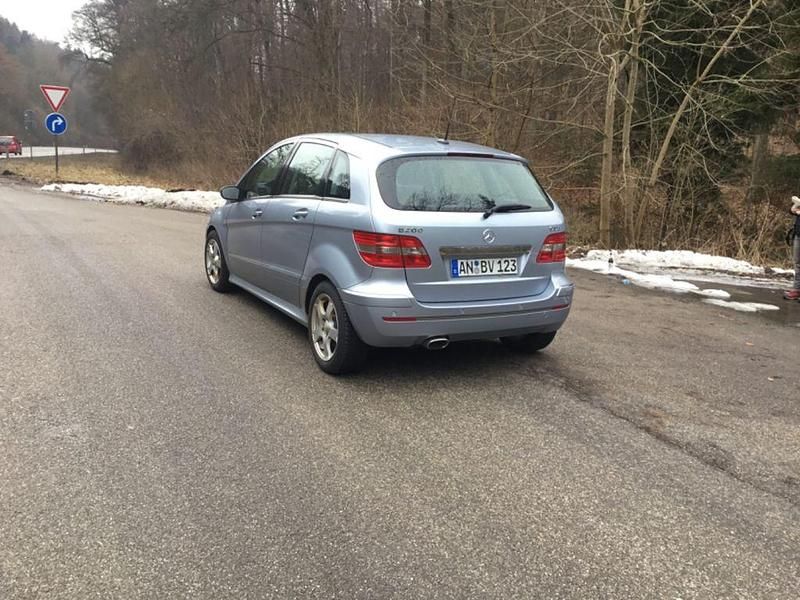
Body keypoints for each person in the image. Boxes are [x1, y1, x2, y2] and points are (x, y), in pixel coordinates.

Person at [785, 196, 800, 300]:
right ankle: (797, 289)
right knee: (797, 263)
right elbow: (792, 211)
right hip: (798, 234)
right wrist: (794, 208)